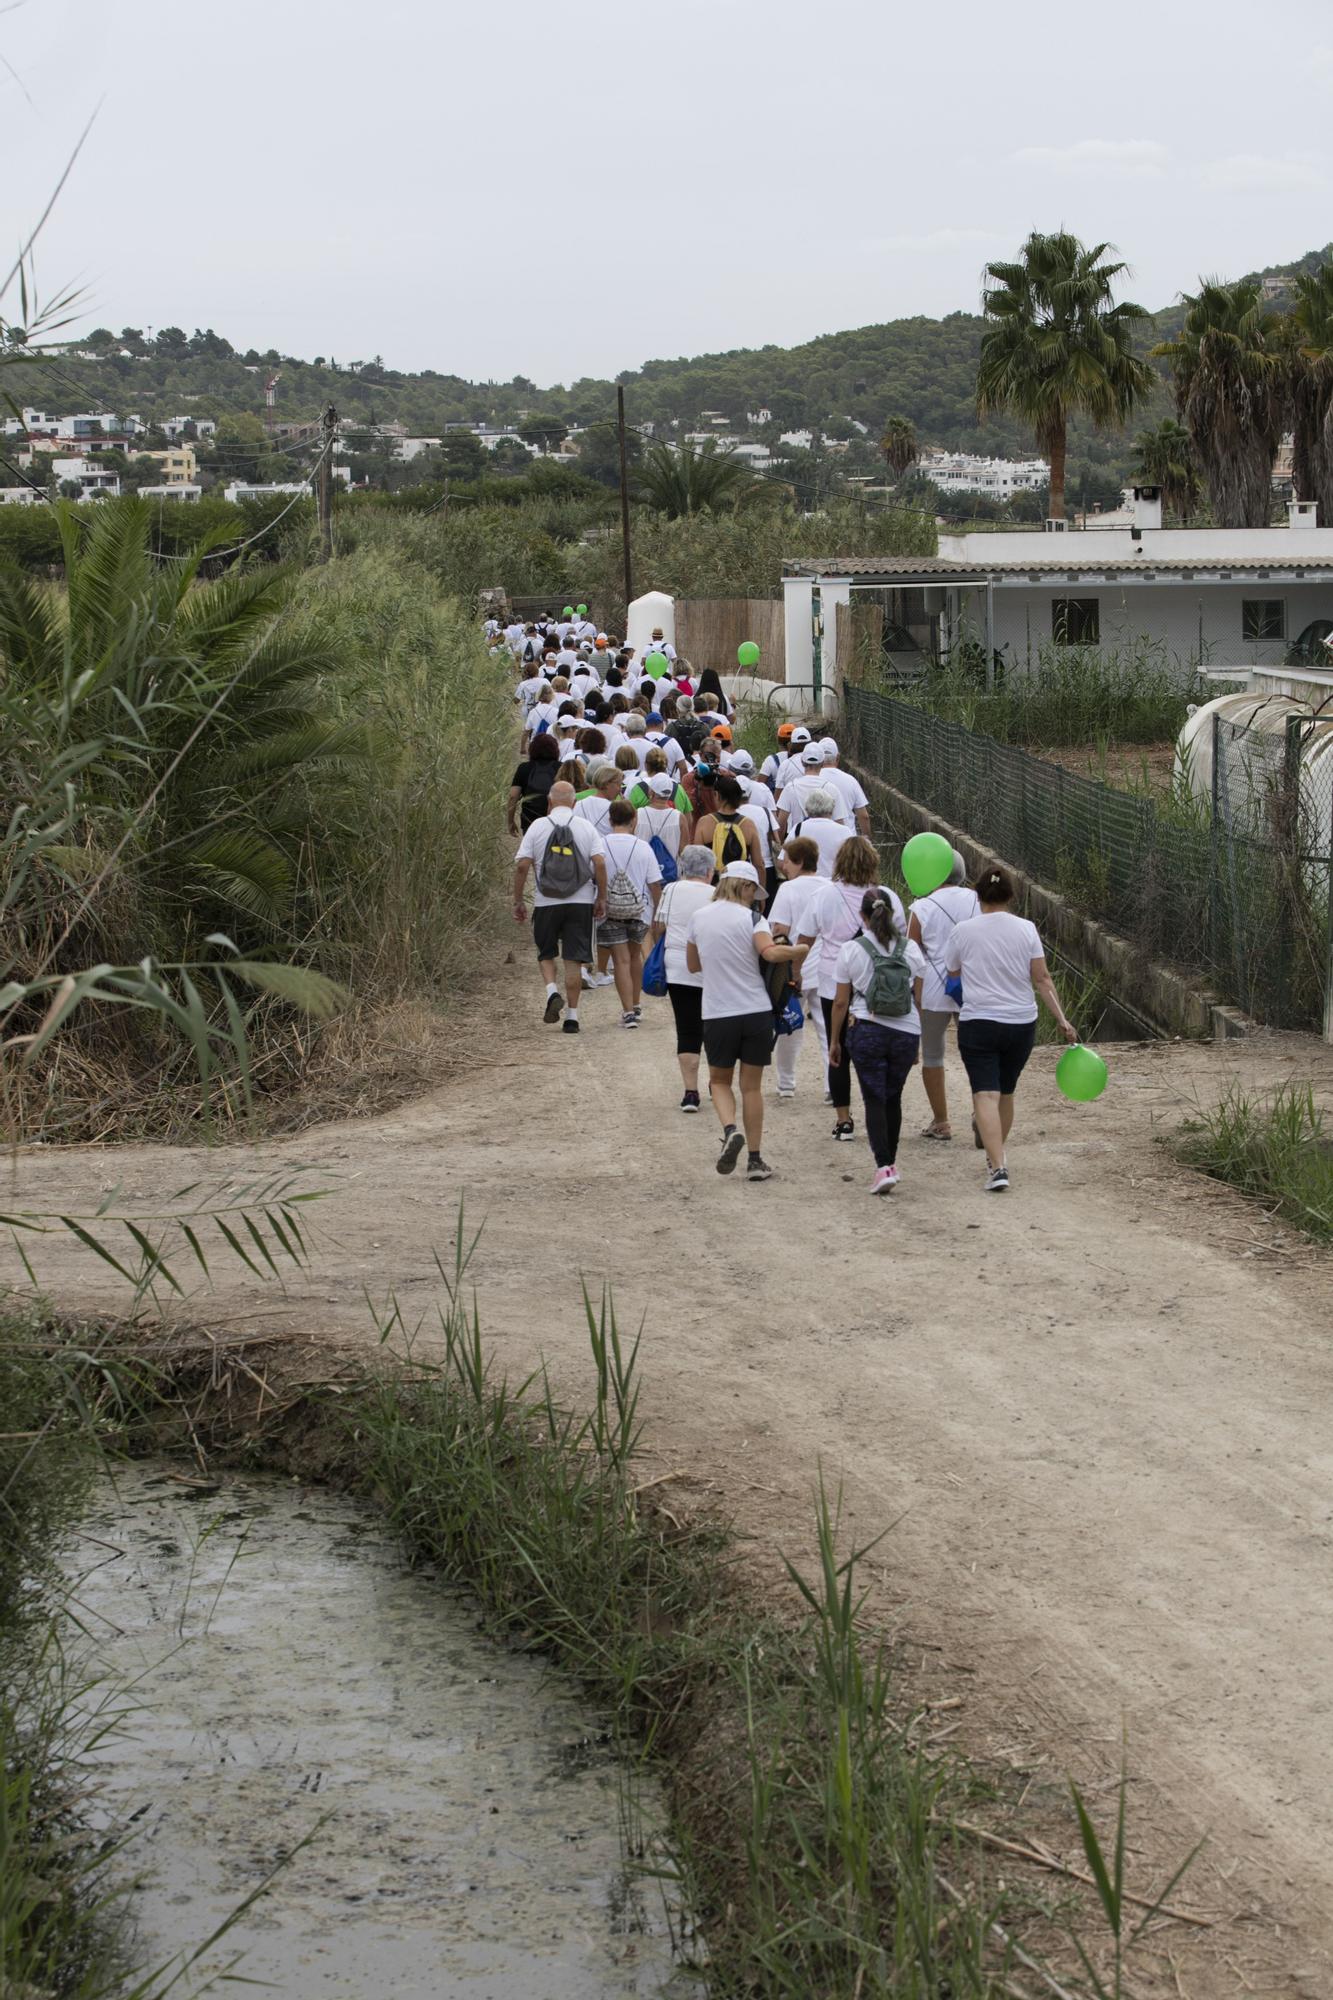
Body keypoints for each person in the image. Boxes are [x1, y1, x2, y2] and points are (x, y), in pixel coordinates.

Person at [945, 864, 1077, 1192]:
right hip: (1021, 1023)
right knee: (1006, 1091)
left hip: (979, 1022)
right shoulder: (1027, 929)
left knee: (984, 1094)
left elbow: (953, 972)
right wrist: (1062, 1020)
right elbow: (1042, 979)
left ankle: (998, 1167)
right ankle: (996, 1156)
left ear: (978, 896)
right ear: (1010, 896)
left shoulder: (963, 930)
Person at [685, 861, 806, 1181]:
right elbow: (769, 953)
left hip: (717, 1012)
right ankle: (754, 1159)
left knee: (720, 1082)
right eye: (754, 892)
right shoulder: (755, 919)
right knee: (751, 1088)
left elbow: (693, 964)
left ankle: (730, 1130)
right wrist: (798, 949)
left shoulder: (698, 918)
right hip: (754, 1011)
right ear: (746, 887)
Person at [796, 837, 905, 1142]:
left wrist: (795, 973)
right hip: (878, 983)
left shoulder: (824, 895)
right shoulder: (888, 897)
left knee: (838, 1051)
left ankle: (844, 1120)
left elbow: (805, 939)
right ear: (873, 862)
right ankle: (880, 1111)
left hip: (834, 982)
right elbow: (902, 939)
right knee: (876, 1050)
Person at [828, 891, 926, 1196]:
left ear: (863, 917)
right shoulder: (911, 950)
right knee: (893, 1097)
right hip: (905, 1032)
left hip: (867, 1029)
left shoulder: (851, 950)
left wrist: (835, 1040)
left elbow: (841, 1002)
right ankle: (891, 1162)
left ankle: (883, 1166)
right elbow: (918, 999)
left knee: (873, 1098)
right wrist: (917, 1041)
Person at [513, 780, 608, 1034]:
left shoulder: (538, 826)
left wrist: (518, 899)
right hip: (580, 901)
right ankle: (573, 1017)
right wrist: (601, 897)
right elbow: (599, 863)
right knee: (573, 959)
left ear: (549, 802)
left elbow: (522, 865)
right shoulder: (586, 827)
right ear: (575, 803)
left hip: (547, 900)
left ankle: (552, 992)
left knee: (546, 952)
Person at [908, 849, 979, 1141]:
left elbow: (912, 951)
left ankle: (941, 1121)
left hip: (935, 988)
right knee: (976, 1054)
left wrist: (914, 995)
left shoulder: (922, 906)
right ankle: (981, 1113)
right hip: (972, 986)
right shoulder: (978, 900)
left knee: (933, 1055)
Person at [651, 844, 716, 1110]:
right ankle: (717, 1080)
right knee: (713, 1025)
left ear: (683, 868)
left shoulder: (672, 889)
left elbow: (659, 925)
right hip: (710, 966)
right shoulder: (716, 894)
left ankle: (691, 1092)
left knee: (686, 1027)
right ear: (710, 871)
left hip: (677, 963)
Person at [766, 835, 822, 1100]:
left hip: (794, 967)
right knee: (828, 1030)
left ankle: (787, 1083)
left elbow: (779, 929)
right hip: (826, 968)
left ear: (798, 862)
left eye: (786, 861)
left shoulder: (788, 889)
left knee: (790, 1026)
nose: (783, 867)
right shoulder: (829, 887)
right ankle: (833, 1086)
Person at [600, 797, 662, 1027]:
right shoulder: (643, 847)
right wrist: (656, 913)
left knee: (621, 961)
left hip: (611, 910)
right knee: (635, 957)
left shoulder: (601, 845)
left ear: (610, 820)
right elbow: (655, 884)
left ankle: (627, 1013)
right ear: (634, 820)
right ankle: (636, 1005)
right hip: (640, 910)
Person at [694, 772, 765, 883]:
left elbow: (697, 862)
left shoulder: (705, 823)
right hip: (740, 887)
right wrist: (761, 898)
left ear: (717, 795)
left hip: (713, 886)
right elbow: (759, 864)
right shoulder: (748, 824)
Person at [777, 743, 853, 838]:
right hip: (825, 844)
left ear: (802, 761)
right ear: (822, 763)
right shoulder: (831, 789)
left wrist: (781, 845)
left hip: (799, 844)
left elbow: (781, 824)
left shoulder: (790, 788)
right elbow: (840, 824)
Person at [781, 785, 852, 877]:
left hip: (806, 885)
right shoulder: (844, 831)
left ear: (807, 809)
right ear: (832, 809)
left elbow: (782, 861)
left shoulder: (798, 828)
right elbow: (854, 862)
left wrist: (796, 878)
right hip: (834, 885)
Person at [507, 731, 561, 836]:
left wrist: (510, 822)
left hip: (530, 820)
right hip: (556, 820)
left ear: (532, 750)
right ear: (556, 750)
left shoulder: (524, 768)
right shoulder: (562, 768)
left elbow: (513, 796)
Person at [816, 739, 872, 837]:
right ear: (837, 758)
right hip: (847, 842)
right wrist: (866, 841)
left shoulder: (812, 780)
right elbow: (864, 816)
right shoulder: (851, 781)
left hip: (819, 840)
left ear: (818, 758)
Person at [635, 771, 687, 872]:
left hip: (642, 872)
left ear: (651, 792)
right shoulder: (680, 817)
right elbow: (684, 852)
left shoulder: (638, 814)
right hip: (669, 876)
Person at [574, 759, 623, 836]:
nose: (620, 789)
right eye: (618, 784)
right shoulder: (615, 809)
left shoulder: (578, 805)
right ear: (607, 784)